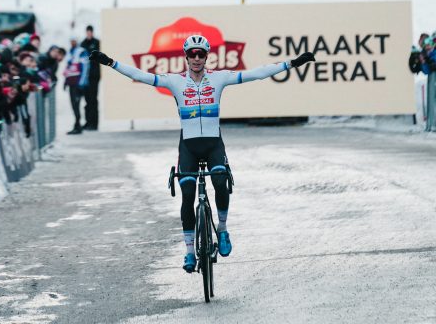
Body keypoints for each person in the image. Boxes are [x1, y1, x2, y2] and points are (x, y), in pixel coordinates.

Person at [89, 35, 315, 273]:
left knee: (219, 181)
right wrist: (110, 62)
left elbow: (257, 73)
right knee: (187, 195)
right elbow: (140, 76)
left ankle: (224, 229)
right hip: (188, 146)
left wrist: (292, 64)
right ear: (186, 57)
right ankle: (188, 252)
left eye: (201, 54)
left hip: (213, 144)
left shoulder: (219, 78)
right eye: (192, 54)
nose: (196, 58)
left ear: (207, 56)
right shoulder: (175, 82)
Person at [62, 37, 89, 135]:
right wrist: (65, 81)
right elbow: (68, 68)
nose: (72, 42)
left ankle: (77, 125)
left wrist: (81, 82)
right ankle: (77, 124)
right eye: (71, 41)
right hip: (71, 82)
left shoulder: (81, 51)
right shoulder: (70, 52)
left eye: (74, 40)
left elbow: (85, 67)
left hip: (78, 83)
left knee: (77, 104)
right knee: (73, 105)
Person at [80, 25, 101, 131]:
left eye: (90, 32)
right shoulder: (83, 44)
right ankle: (88, 121)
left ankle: (94, 123)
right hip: (85, 76)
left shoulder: (97, 43)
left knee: (93, 100)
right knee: (87, 100)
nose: (89, 34)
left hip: (94, 76)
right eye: (87, 32)